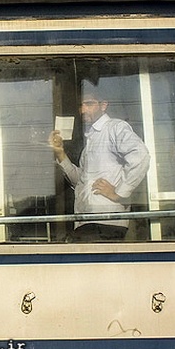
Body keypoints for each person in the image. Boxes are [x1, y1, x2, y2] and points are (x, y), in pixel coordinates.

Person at [48, 87, 150, 241]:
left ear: (103, 105)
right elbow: (81, 182)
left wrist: (119, 192)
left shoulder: (115, 127)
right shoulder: (90, 142)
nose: (83, 110)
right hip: (86, 221)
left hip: (106, 222)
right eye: (81, 105)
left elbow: (141, 155)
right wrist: (60, 153)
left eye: (89, 104)